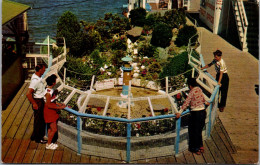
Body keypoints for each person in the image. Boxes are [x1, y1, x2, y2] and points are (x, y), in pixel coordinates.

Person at [175, 78, 209, 155]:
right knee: (199, 130)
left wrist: (179, 112)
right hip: (203, 112)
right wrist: (206, 102)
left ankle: (195, 148)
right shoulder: (199, 89)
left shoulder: (191, 92)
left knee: (194, 131)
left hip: (196, 113)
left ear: (190, 86)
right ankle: (201, 146)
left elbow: (186, 103)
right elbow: (203, 99)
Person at [26, 64, 48, 144]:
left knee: (37, 120)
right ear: (40, 70)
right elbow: (28, 93)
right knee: (40, 121)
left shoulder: (37, 77)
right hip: (38, 101)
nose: (45, 70)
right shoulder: (36, 81)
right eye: (44, 69)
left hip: (39, 100)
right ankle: (39, 138)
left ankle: (34, 136)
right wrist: (34, 103)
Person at [44, 74, 66, 150]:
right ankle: (48, 144)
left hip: (51, 111)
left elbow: (51, 101)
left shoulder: (48, 89)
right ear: (53, 83)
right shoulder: (48, 93)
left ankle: (49, 143)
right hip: (49, 112)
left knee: (50, 128)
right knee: (54, 129)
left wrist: (58, 104)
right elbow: (48, 104)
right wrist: (60, 107)